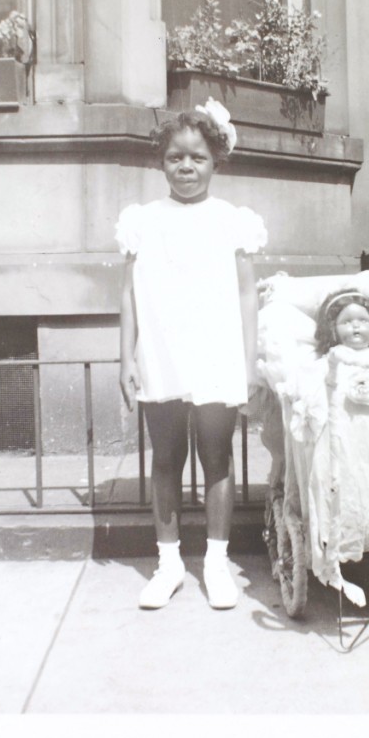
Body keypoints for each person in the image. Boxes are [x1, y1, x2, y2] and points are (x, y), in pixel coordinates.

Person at [116, 99, 266, 610]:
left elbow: (248, 294)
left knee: (217, 456)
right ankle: (169, 562)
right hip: (161, 350)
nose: (186, 167)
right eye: (176, 157)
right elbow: (129, 293)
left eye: (197, 158)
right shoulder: (142, 220)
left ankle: (217, 563)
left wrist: (249, 363)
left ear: (216, 161)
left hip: (215, 350)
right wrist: (126, 357)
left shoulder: (231, 221)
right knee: (166, 457)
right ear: (161, 161)